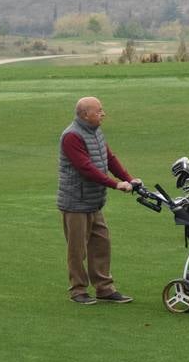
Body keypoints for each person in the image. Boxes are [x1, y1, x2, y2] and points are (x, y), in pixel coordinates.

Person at [57, 97, 140, 305]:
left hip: (93, 201)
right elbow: (85, 168)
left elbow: (109, 158)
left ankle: (104, 288)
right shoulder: (71, 136)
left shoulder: (95, 132)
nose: (103, 113)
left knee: (101, 243)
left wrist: (128, 179)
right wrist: (115, 184)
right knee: (77, 249)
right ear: (85, 115)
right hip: (76, 201)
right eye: (99, 110)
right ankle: (78, 290)